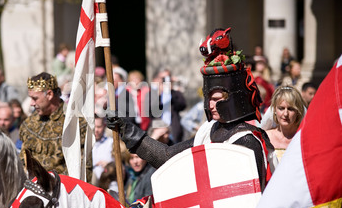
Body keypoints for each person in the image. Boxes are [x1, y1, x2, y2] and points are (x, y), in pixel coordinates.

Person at [107, 28, 275, 192]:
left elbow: (247, 194)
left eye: (216, 100)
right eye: (208, 99)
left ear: (232, 100)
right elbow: (167, 157)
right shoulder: (209, 131)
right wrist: (127, 129)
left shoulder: (247, 140)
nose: (209, 105)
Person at [19, 72, 92, 181]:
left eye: (35, 98)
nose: (31, 103)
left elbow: (83, 167)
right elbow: (23, 162)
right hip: (33, 190)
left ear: (49, 94)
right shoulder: (28, 124)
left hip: (64, 190)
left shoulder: (75, 123)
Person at [265, 86, 306, 163]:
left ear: (298, 111)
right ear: (274, 110)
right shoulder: (266, 137)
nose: (285, 114)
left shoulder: (303, 138)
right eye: (281, 108)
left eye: (290, 109)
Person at [150, 67, 186, 143]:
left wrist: (171, 92)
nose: (165, 80)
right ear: (157, 79)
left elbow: (182, 105)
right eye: (163, 78)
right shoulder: (153, 93)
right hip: (158, 129)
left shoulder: (175, 93)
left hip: (174, 129)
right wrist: (158, 93)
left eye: (168, 77)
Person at [92, 116, 114, 185]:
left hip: (107, 182)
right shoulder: (85, 144)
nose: (96, 130)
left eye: (99, 127)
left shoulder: (111, 143)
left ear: (104, 126)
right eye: (94, 127)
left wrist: (109, 165)